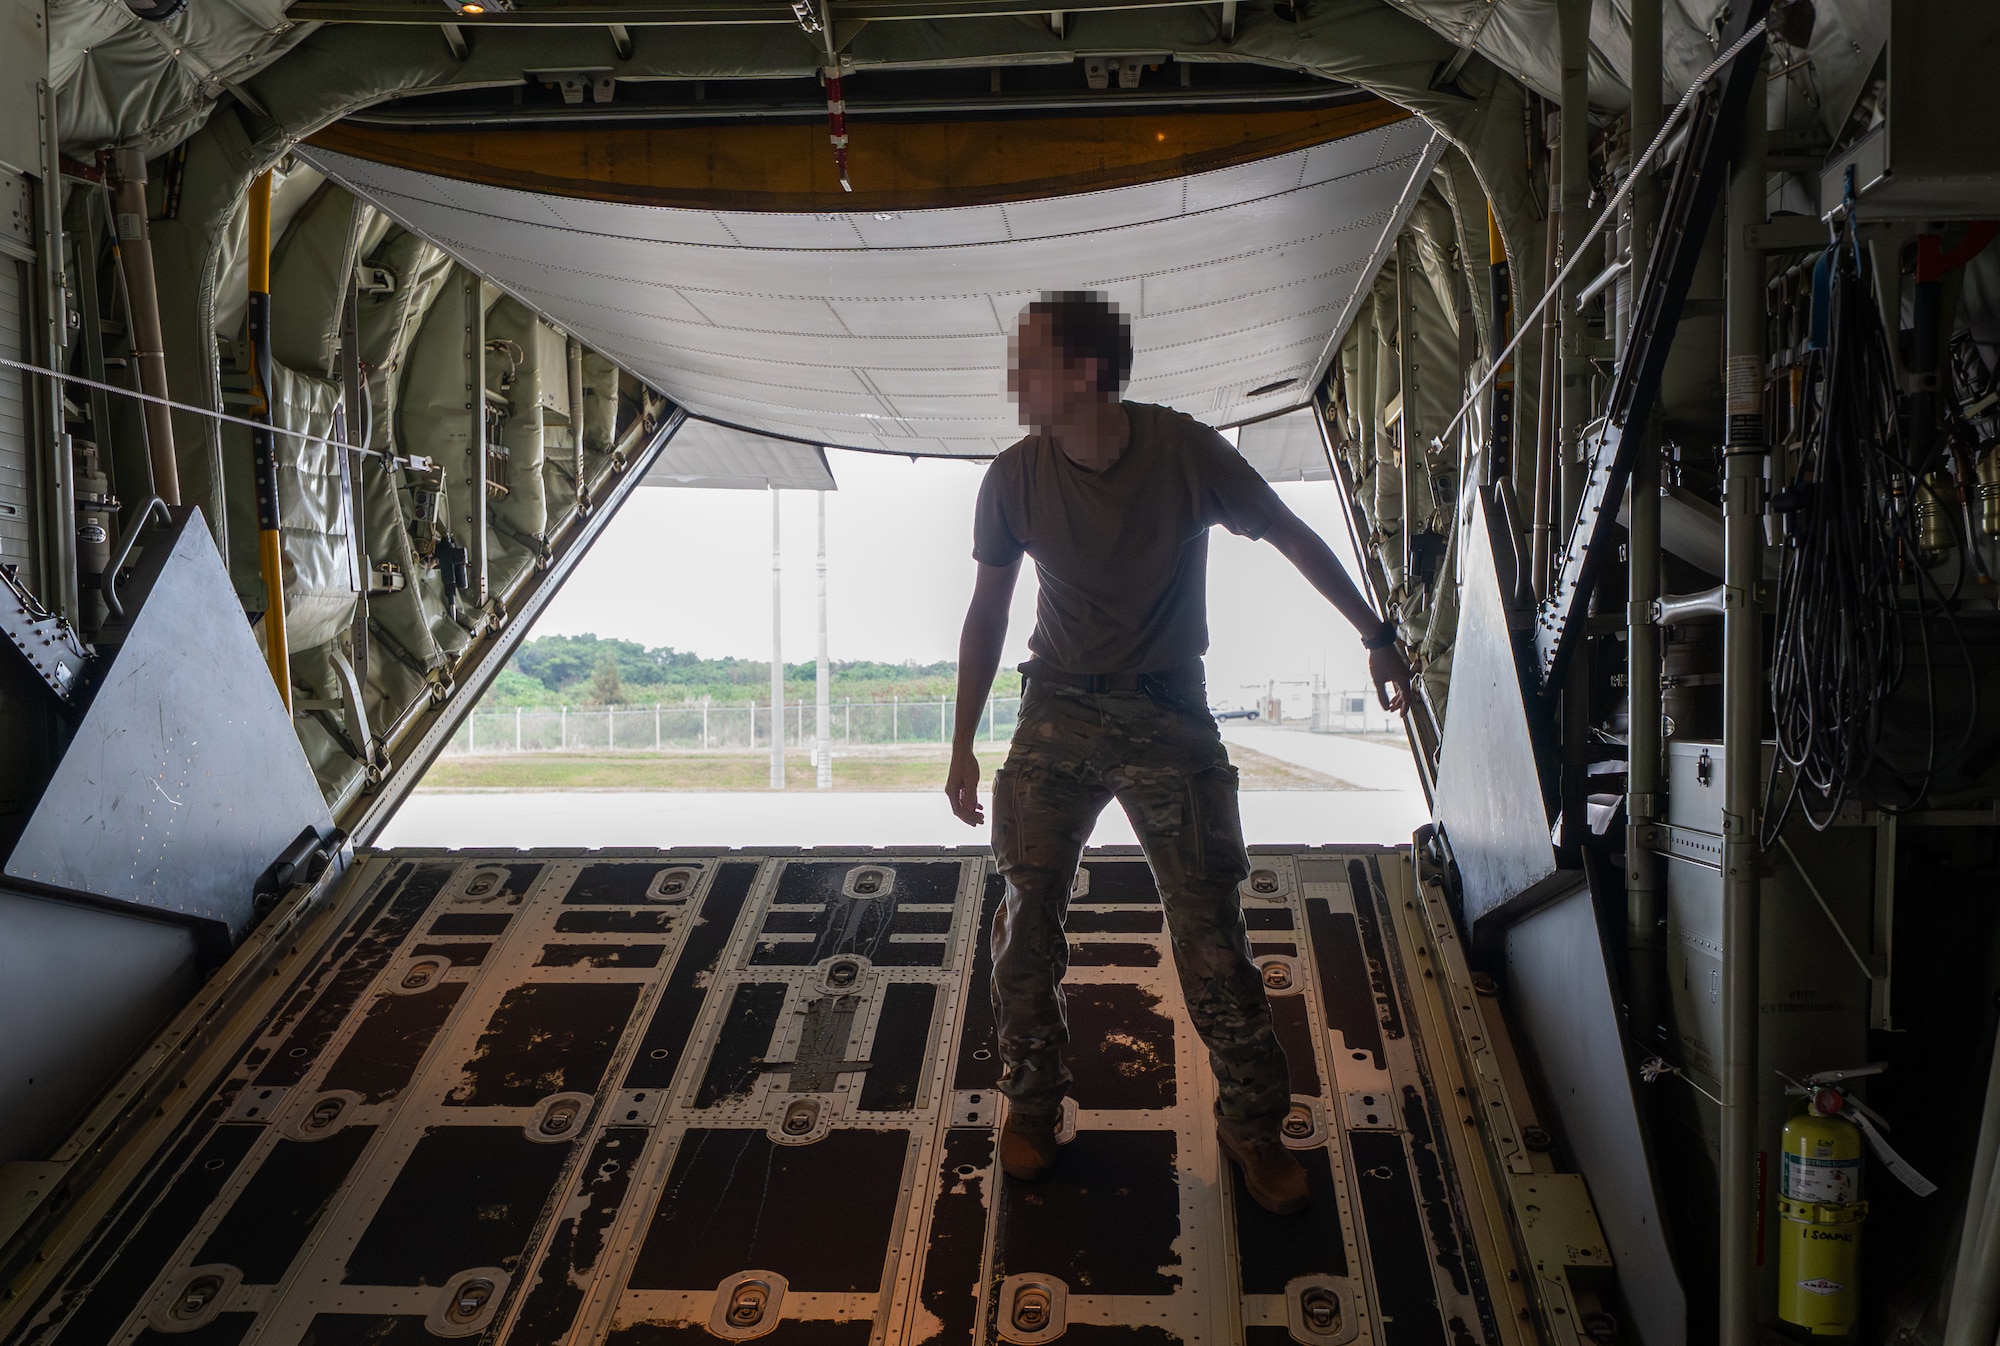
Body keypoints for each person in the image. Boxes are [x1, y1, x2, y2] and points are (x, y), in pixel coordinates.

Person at [944, 292, 1415, 1216]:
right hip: (1059, 705)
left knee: (1211, 934)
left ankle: (1254, 1127)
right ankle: (1032, 1107)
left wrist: (1376, 633)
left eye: (1031, 363)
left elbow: (1289, 535)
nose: (1014, 382)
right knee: (1023, 923)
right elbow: (987, 613)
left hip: (1169, 709)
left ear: (1086, 373)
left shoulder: (1184, 451)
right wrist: (961, 743)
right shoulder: (1013, 479)